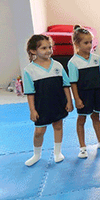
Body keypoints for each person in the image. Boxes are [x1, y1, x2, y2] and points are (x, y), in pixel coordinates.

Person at [23, 35, 73, 166]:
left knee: (58, 126)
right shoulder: (29, 70)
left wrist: (69, 101)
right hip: (41, 106)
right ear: (33, 51)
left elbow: (66, 85)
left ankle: (57, 152)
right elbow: (30, 93)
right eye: (44, 48)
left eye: (50, 47)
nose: (48, 50)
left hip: (58, 103)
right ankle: (36, 154)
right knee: (39, 131)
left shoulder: (57, 65)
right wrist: (32, 110)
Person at [68, 26, 100, 159]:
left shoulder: (96, 59)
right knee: (82, 119)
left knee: (96, 117)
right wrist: (77, 99)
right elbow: (73, 83)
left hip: (96, 93)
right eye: (85, 43)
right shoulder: (73, 62)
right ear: (77, 44)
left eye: (90, 42)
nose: (89, 45)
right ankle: (82, 147)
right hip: (83, 95)